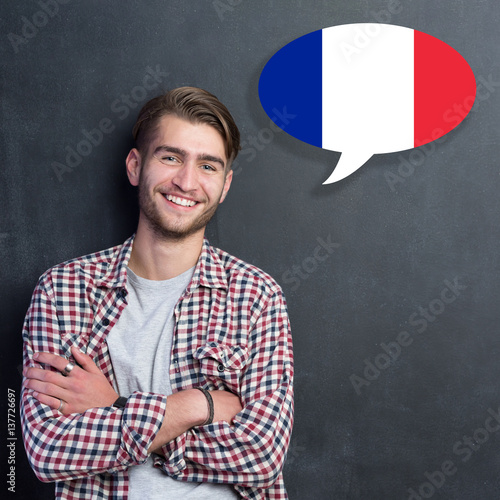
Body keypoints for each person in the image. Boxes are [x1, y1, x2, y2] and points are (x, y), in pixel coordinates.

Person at [20, 87, 294, 499]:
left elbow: (262, 454)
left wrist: (114, 407)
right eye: (171, 157)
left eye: (207, 166)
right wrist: (195, 405)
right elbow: (50, 450)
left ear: (225, 184)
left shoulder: (257, 296)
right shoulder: (63, 290)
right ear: (135, 166)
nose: (187, 181)